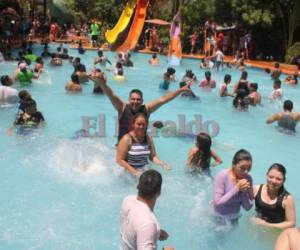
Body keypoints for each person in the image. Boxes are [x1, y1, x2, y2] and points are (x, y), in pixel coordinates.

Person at [88, 73, 191, 142]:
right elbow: (111, 95)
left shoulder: (146, 109)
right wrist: (102, 83)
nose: (135, 102)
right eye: (133, 99)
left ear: (142, 101)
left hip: (141, 147)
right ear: (129, 99)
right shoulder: (122, 107)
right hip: (123, 148)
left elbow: (163, 99)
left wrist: (180, 90)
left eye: (138, 99)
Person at [120, 170, 171, 250]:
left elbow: (134, 227)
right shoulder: (148, 224)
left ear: (137, 186)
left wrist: (156, 233)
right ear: (159, 192)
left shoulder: (127, 200)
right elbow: (144, 225)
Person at [116, 113, 170, 178]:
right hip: (129, 173)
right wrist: (134, 172)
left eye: (143, 125)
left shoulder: (148, 138)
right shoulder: (127, 139)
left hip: (144, 171)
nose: (141, 127)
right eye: (139, 124)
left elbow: (153, 156)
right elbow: (119, 160)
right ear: (133, 125)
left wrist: (162, 164)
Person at [213, 149, 253, 225]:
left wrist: (243, 192)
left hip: (234, 218)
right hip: (218, 217)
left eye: (249, 168)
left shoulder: (248, 179)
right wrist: (237, 188)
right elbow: (217, 203)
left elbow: (248, 208)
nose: (246, 172)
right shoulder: (223, 175)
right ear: (234, 164)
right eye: (242, 168)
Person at [252, 163, 296, 229]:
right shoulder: (256, 189)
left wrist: (266, 225)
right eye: (271, 177)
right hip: (257, 228)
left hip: (275, 232)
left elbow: (291, 223)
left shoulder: (287, 199)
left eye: (278, 179)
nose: (273, 181)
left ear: (284, 180)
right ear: (266, 175)